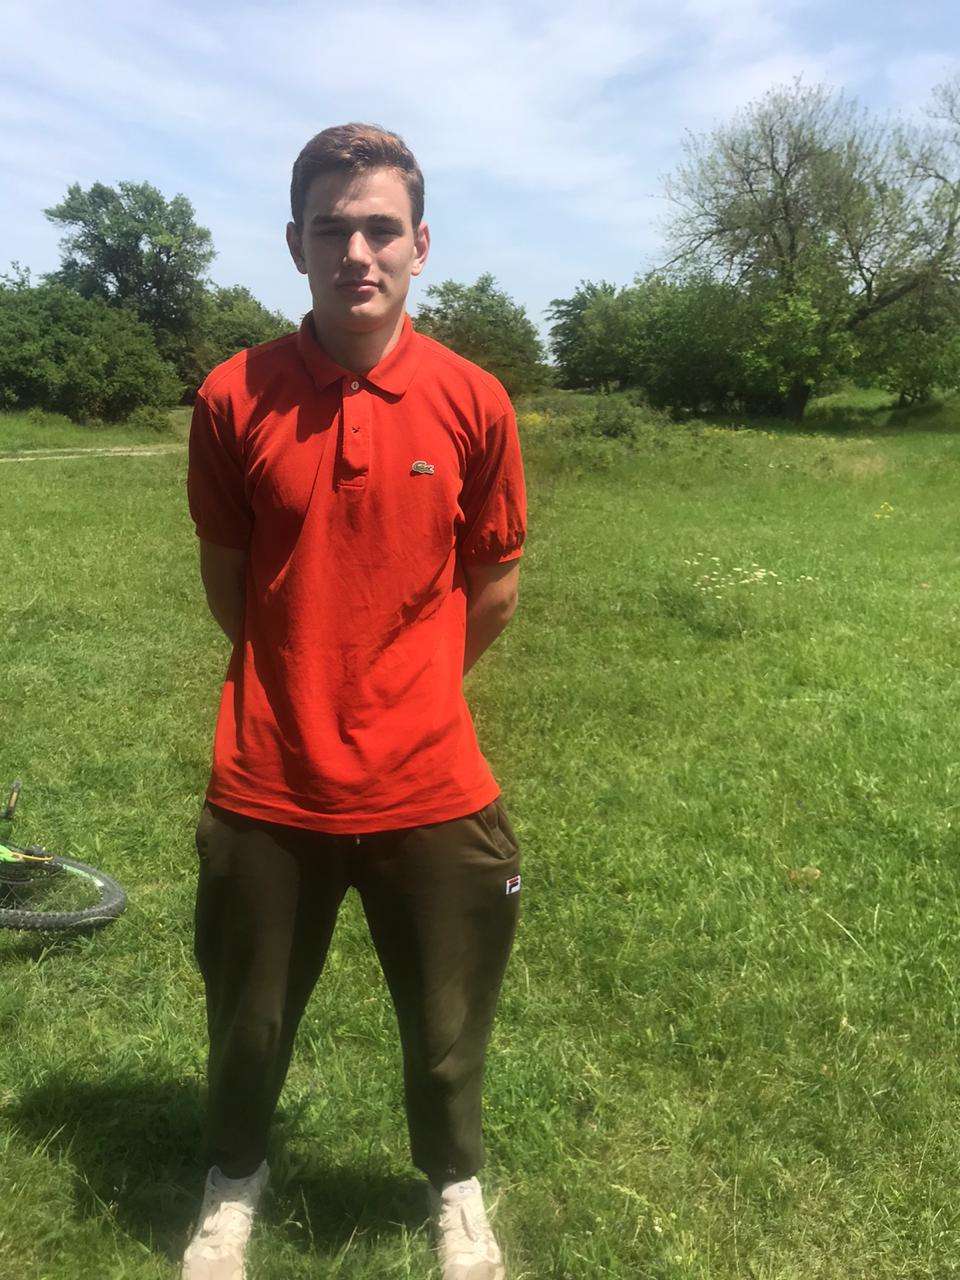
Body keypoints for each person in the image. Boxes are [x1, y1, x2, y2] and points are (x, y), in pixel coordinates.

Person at [181, 122, 527, 1280]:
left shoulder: (476, 400)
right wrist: (303, 677)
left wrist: (408, 686)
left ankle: (456, 1187)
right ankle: (232, 1184)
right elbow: (233, 583)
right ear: (296, 244)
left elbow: (493, 584)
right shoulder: (233, 395)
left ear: (422, 245)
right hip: (269, 773)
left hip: (431, 775)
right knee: (248, 1019)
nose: (357, 252)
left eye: (382, 228)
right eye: (332, 229)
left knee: (446, 1027)